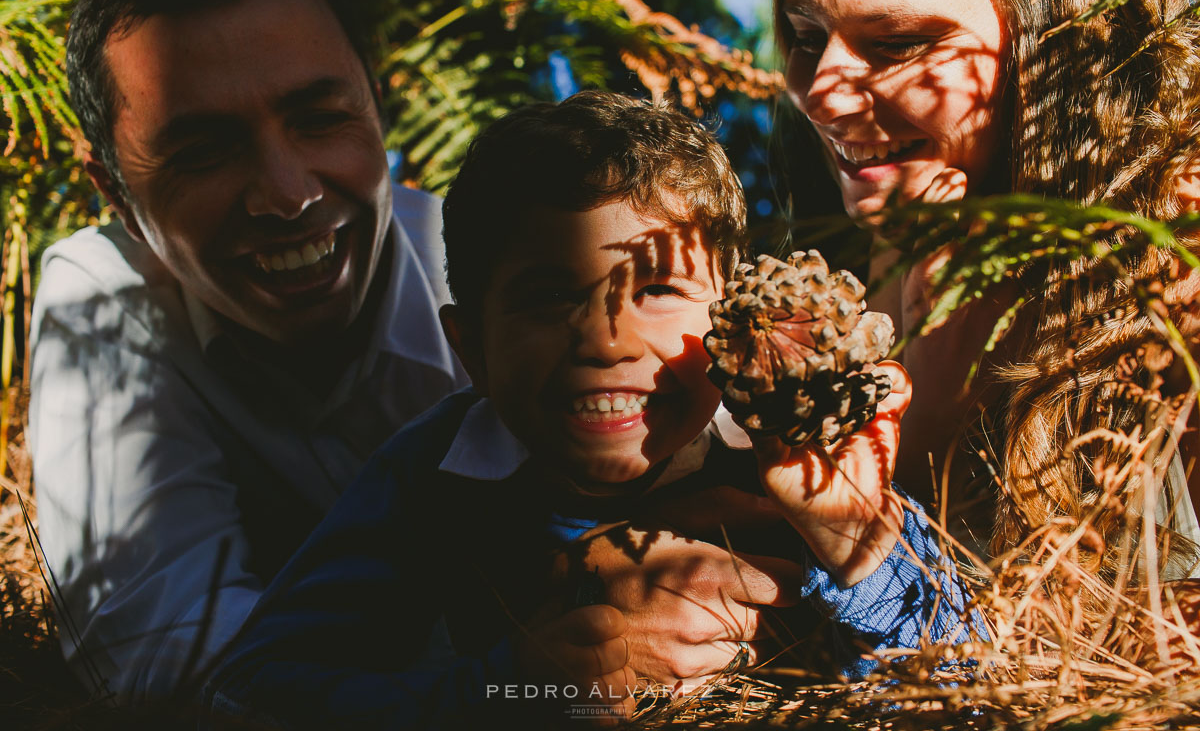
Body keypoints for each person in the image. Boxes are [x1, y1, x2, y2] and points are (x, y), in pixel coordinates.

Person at [28, 0, 802, 703]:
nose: (287, 193)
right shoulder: (103, 313)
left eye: (320, 118)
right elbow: (177, 673)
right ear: (116, 196)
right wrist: (520, 641)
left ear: (379, 106)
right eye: (203, 151)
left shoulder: (501, 265)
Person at [203, 92, 978, 729]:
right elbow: (246, 693)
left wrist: (857, 542)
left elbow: (972, 678)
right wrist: (514, 690)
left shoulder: (797, 455)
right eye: (547, 297)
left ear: (736, 308)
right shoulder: (432, 479)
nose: (606, 342)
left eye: (657, 290)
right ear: (469, 347)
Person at [768, 0, 1200, 579]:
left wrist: (927, 443)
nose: (822, 93)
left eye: (896, 43)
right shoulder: (839, 264)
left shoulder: (1174, 288)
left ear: (1062, 38)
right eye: (806, 36)